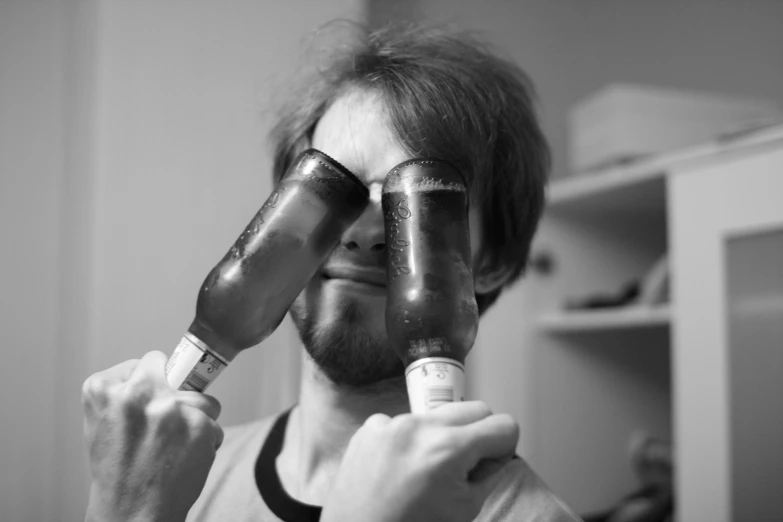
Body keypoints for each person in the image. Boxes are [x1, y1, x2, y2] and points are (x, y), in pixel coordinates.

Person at [81, 21, 581, 522]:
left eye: (417, 195)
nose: (362, 231)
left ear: (489, 263)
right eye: (328, 189)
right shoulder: (168, 477)